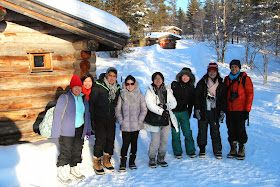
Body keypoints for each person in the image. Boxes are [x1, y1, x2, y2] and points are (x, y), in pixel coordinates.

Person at [51, 74, 92, 184]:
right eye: (75, 87)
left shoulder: (83, 99)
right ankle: (62, 173)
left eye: (79, 87)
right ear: (71, 87)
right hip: (67, 131)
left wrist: (88, 129)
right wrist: (55, 133)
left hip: (80, 129)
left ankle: (75, 169)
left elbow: (87, 115)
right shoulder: (65, 98)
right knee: (66, 152)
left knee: (77, 150)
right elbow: (58, 115)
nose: (77, 89)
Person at [89, 67, 121, 175]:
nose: (112, 78)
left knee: (110, 139)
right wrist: (92, 119)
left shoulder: (117, 88)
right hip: (100, 118)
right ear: (107, 75)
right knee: (100, 140)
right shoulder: (99, 86)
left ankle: (107, 160)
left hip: (111, 118)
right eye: (110, 75)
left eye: (114, 76)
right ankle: (97, 161)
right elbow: (92, 103)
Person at [144, 72, 177, 168]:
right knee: (155, 141)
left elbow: (174, 103)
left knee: (164, 140)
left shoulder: (167, 90)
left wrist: (167, 106)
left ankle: (161, 157)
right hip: (154, 119)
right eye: (156, 78)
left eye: (160, 78)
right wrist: (161, 111)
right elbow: (149, 105)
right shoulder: (149, 91)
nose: (158, 80)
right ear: (153, 80)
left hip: (166, 119)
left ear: (163, 79)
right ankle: (152, 158)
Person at [115, 75, 147, 172]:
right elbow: (117, 110)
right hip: (125, 125)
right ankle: (123, 163)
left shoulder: (140, 95)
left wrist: (139, 121)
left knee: (134, 144)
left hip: (136, 125)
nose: (129, 86)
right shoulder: (122, 95)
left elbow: (144, 110)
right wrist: (121, 121)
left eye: (131, 84)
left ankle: (132, 162)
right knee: (125, 144)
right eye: (127, 84)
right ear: (125, 84)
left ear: (135, 84)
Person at [194, 63, 226, 159]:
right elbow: (196, 97)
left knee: (215, 131)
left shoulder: (221, 83)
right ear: (208, 72)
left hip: (215, 110)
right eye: (210, 71)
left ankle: (217, 150)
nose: (212, 73)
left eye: (214, 71)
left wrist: (222, 111)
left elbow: (223, 99)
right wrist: (197, 109)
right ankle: (202, 149)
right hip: (204, 110)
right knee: (202, 130)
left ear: (217, 72)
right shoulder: (202, 82)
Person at [224, 60, 254, 160]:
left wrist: (247, 110)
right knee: (231, 130)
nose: (234, 69)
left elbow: (250, 95)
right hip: (229, 110)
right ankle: (233, 148)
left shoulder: (245, 79)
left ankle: (241, 148)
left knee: (240, 130)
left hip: (241, 110)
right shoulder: (227, 79)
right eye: (232, 67)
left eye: (236, 67)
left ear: (239, 68)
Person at [171, 67, 196, 159]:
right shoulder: (174, 85)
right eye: (183, 76)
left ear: (190, 77)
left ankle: (191, 150)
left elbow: (191, 102)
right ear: (180, 76)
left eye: (187, 76)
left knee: (187, 132)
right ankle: (177, 152)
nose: (185, 78)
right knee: (175, 132)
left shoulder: (191, 88)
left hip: (184, 112)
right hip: (174, 112)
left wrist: (189, 112)